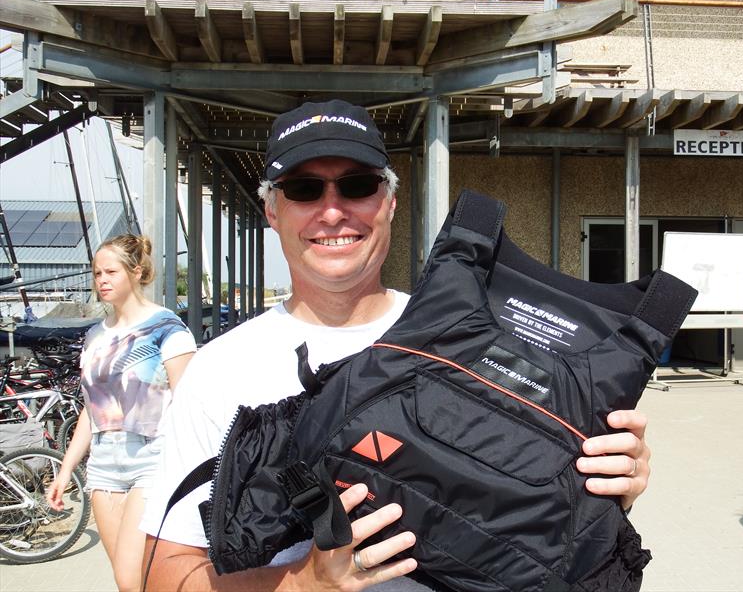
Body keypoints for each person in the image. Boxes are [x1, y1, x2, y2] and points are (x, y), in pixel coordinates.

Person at [141, 99, 652, 591]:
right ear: (272, 210)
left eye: (357, 186)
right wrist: (306, 584)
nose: (333, 211)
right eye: (303, 189)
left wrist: (609, 489)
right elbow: (160, 578)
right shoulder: (217, 371)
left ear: (388, 201)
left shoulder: (471, 332)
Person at [47, 234, 196, 592]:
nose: (101, 280)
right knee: (127, 580)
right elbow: (91, 408)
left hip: (153, 456)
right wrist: (65, 470)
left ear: (137, 271)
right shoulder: (95, 336)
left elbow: (191, 402)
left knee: (133, 579)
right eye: (97, 273)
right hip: (103, 463)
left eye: (110, 271)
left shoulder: (167, 329)